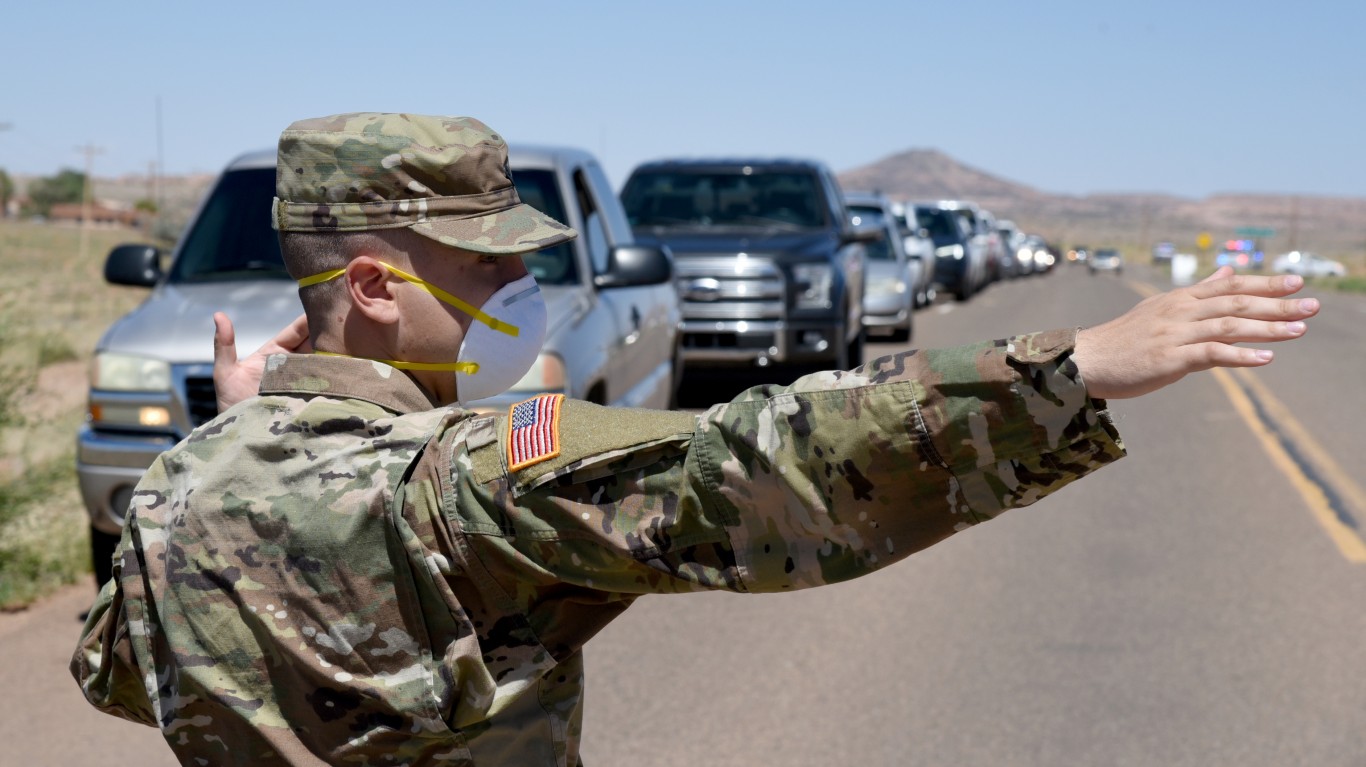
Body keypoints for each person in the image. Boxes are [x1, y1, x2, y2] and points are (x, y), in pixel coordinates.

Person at [72, 112, 1320, 767]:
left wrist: (238, 433)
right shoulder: (463, 483)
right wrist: (1076, 368)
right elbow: (753, 458)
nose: (517, 296)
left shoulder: (182, 487)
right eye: (485, 268)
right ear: (377, 282)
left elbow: (123, 675)